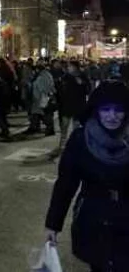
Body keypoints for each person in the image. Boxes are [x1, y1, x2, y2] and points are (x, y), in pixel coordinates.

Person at [44, 81, 129, 272]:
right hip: (93, 220)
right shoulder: (81, 139)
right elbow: (66, 184)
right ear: (96, 110)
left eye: (118, 110)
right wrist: (53, 224)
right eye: (106, 109)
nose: (112, 116)